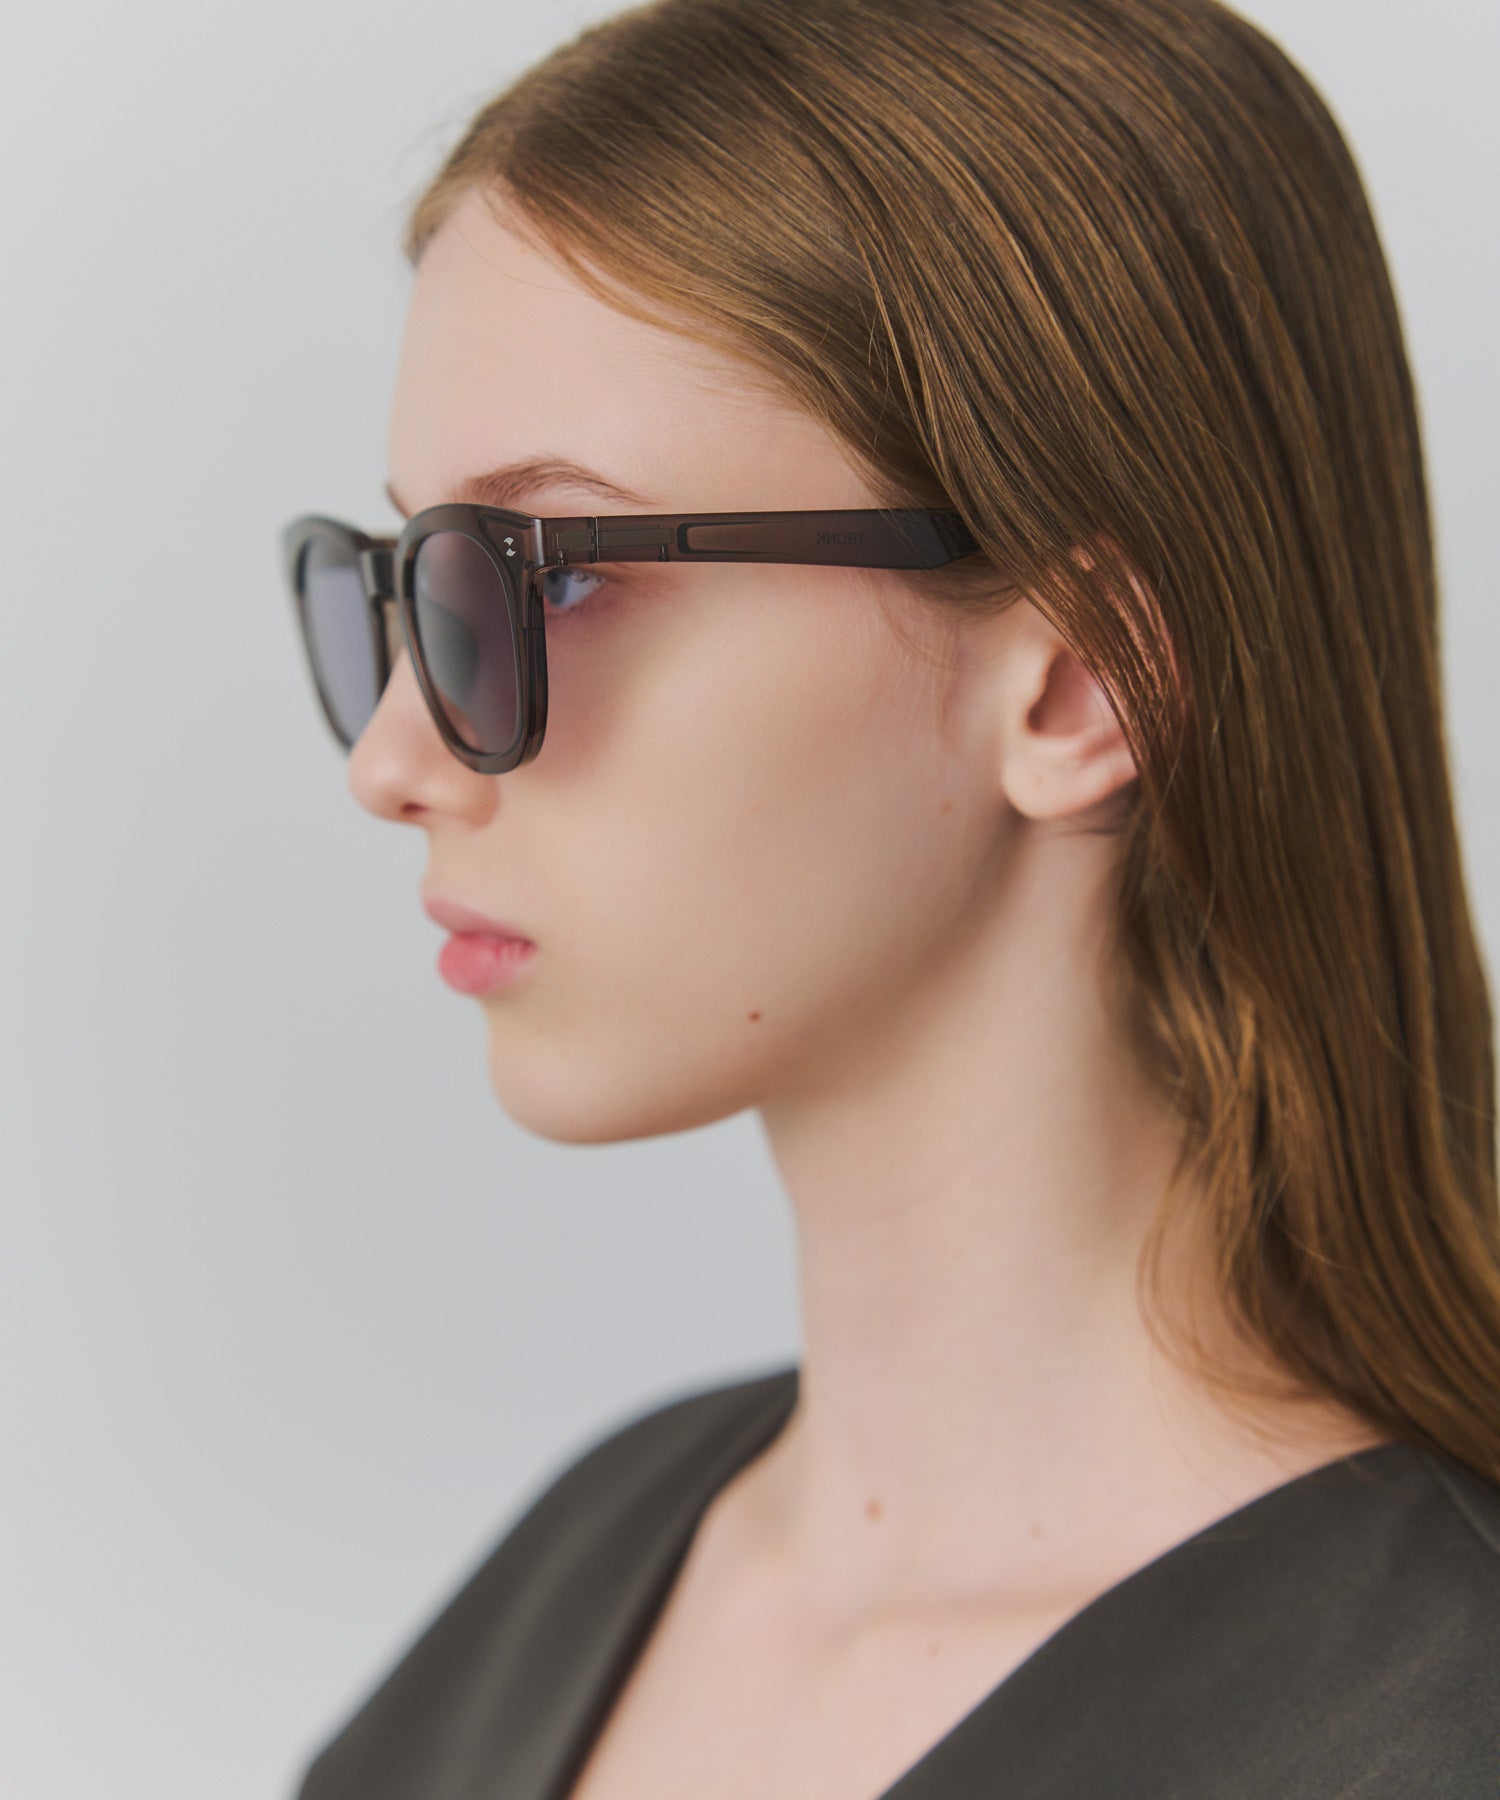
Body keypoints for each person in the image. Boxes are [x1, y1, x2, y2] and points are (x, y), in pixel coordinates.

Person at [280, 0, 1500, 1794]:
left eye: (539, 577)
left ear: (1079, 684)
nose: (394, 758)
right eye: (402, 580)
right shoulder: (575, 1579)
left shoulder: (1428, 1721)